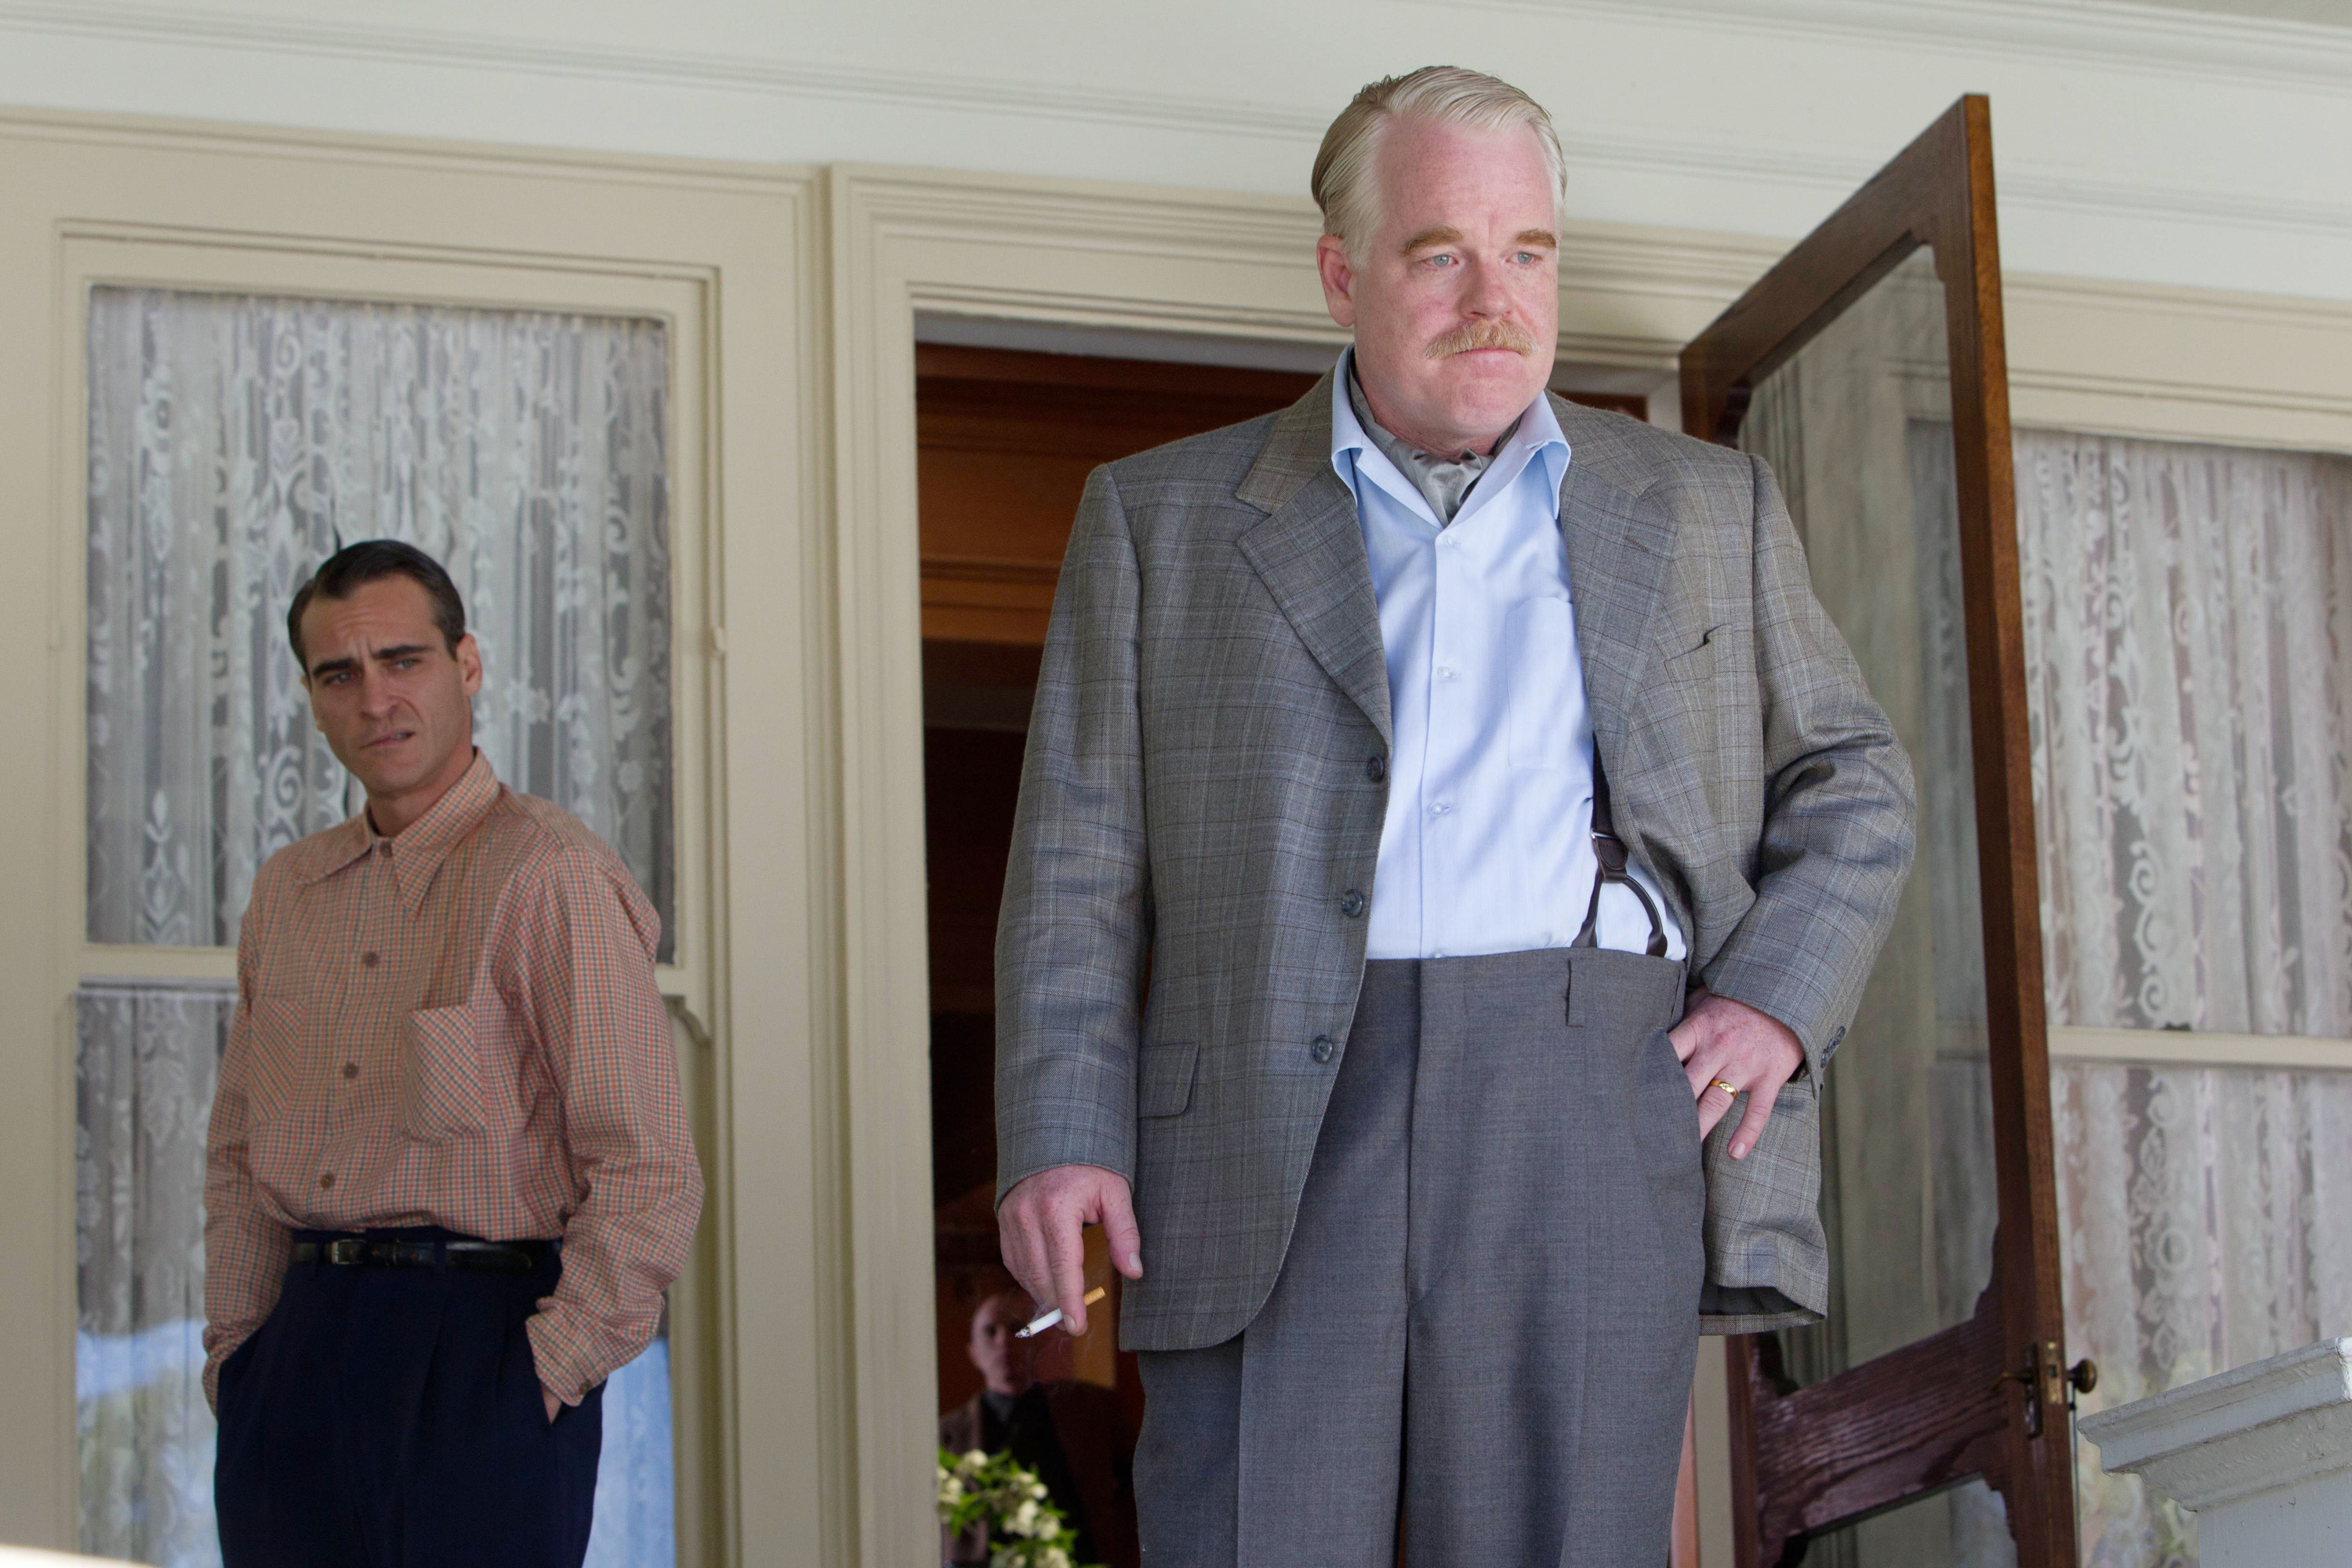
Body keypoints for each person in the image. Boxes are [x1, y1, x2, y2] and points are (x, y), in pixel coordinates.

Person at [993, 66, 1917, 1566]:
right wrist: (1056, 1132)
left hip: (1593, 1095)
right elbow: (1078, 864)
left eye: (1530, 250)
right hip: (1266, 1121)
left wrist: (1776, 1003)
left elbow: (1856, 780)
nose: (1497, 295)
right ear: (1342, 273)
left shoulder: (1703, 506)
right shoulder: (1159, 517)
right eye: (1442, 252)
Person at [201, 539, 703, 1568]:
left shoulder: (551, 874)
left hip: (481, 1348)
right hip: (295, 1353)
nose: (374, 699)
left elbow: (645, 1169)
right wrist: (238, 1360)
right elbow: (238, 1156)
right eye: (339, 674)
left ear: (466, 664)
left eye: (404, 660)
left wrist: (549, 1372)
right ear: (311, 695)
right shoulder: (286, 894)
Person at [938, 1290, 1140, 1568]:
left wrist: (1122, 1541)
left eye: (1015, 1329)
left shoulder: (1092, 1409)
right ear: (973, 1352)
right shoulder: (947, 1433)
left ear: (1038, 1338)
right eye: (990, 1331)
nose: (1004, 1342)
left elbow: (1138, 1478)